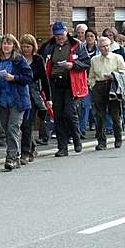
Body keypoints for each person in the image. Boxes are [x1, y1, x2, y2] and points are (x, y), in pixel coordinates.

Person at [41, 21, 90, 157]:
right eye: (57, 35)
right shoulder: (49, 46)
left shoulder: (76, 45)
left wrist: (72, 65)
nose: (59, 37)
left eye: (61, 34)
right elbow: (43, 63)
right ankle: (62, 147)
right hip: (55, 83)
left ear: (66, 32)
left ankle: (76, 138)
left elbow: (86, 63)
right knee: (58, 115)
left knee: (69, 112)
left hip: (71, 83)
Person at [0, 34, 32, 170]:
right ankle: (16, 155)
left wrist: (14, 78)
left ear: (14, 46)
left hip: (17, 99)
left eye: (9, 43)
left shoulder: (19, 60)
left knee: (13, 127)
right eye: (4, 43)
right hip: (2, 100)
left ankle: (11, 157)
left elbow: (28, 77)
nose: (6, 46)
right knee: (7, 129)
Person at [89, 37, 125, 150]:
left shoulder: (117, 58)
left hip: (113, 86)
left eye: (107, 46)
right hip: (99, 87)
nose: (105, 48)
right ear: (99, 48)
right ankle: (101, 142)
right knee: (100, 116)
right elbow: (91, 76)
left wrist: (114, 76)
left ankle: (118, 139)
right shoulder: (94, 60)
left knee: (115, 115)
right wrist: (93, 85)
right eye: (102, 46)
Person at [19, 34, 51, 165]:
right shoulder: (19, 59)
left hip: (33, 94)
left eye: (28, 46)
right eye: (24, 46)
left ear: (33, 47)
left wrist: (48, 98)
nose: (26, 49)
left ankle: (25, 152)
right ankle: (31, 148)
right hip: (20, 93)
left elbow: (44, 79)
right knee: (23, 125)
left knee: (27, 123)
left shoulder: (38, 59)